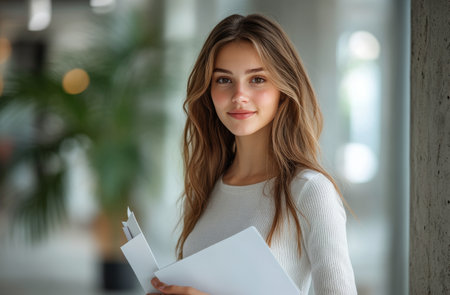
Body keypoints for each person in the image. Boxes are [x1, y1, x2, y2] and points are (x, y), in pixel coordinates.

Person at [149, 13, 357, 295]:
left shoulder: (310, 191)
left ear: (283, 90)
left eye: (257, 79)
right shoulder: (207, 184)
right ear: (208, 91)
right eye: (223, 80)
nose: (239, 95)